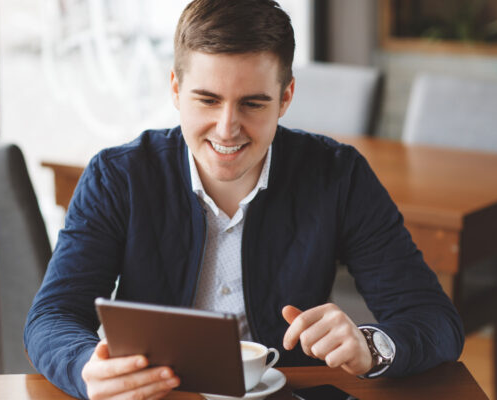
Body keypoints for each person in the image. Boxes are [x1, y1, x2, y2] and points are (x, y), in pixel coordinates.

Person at [24, 0, 464, 399]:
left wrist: (371, 346)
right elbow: (52, 316)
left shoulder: (338, 174)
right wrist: (86, 368)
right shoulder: (117, 177)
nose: (227, 128)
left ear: (285, 97)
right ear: (176, 90)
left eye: (253, 104)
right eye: (207, 100)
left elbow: (434, 319)